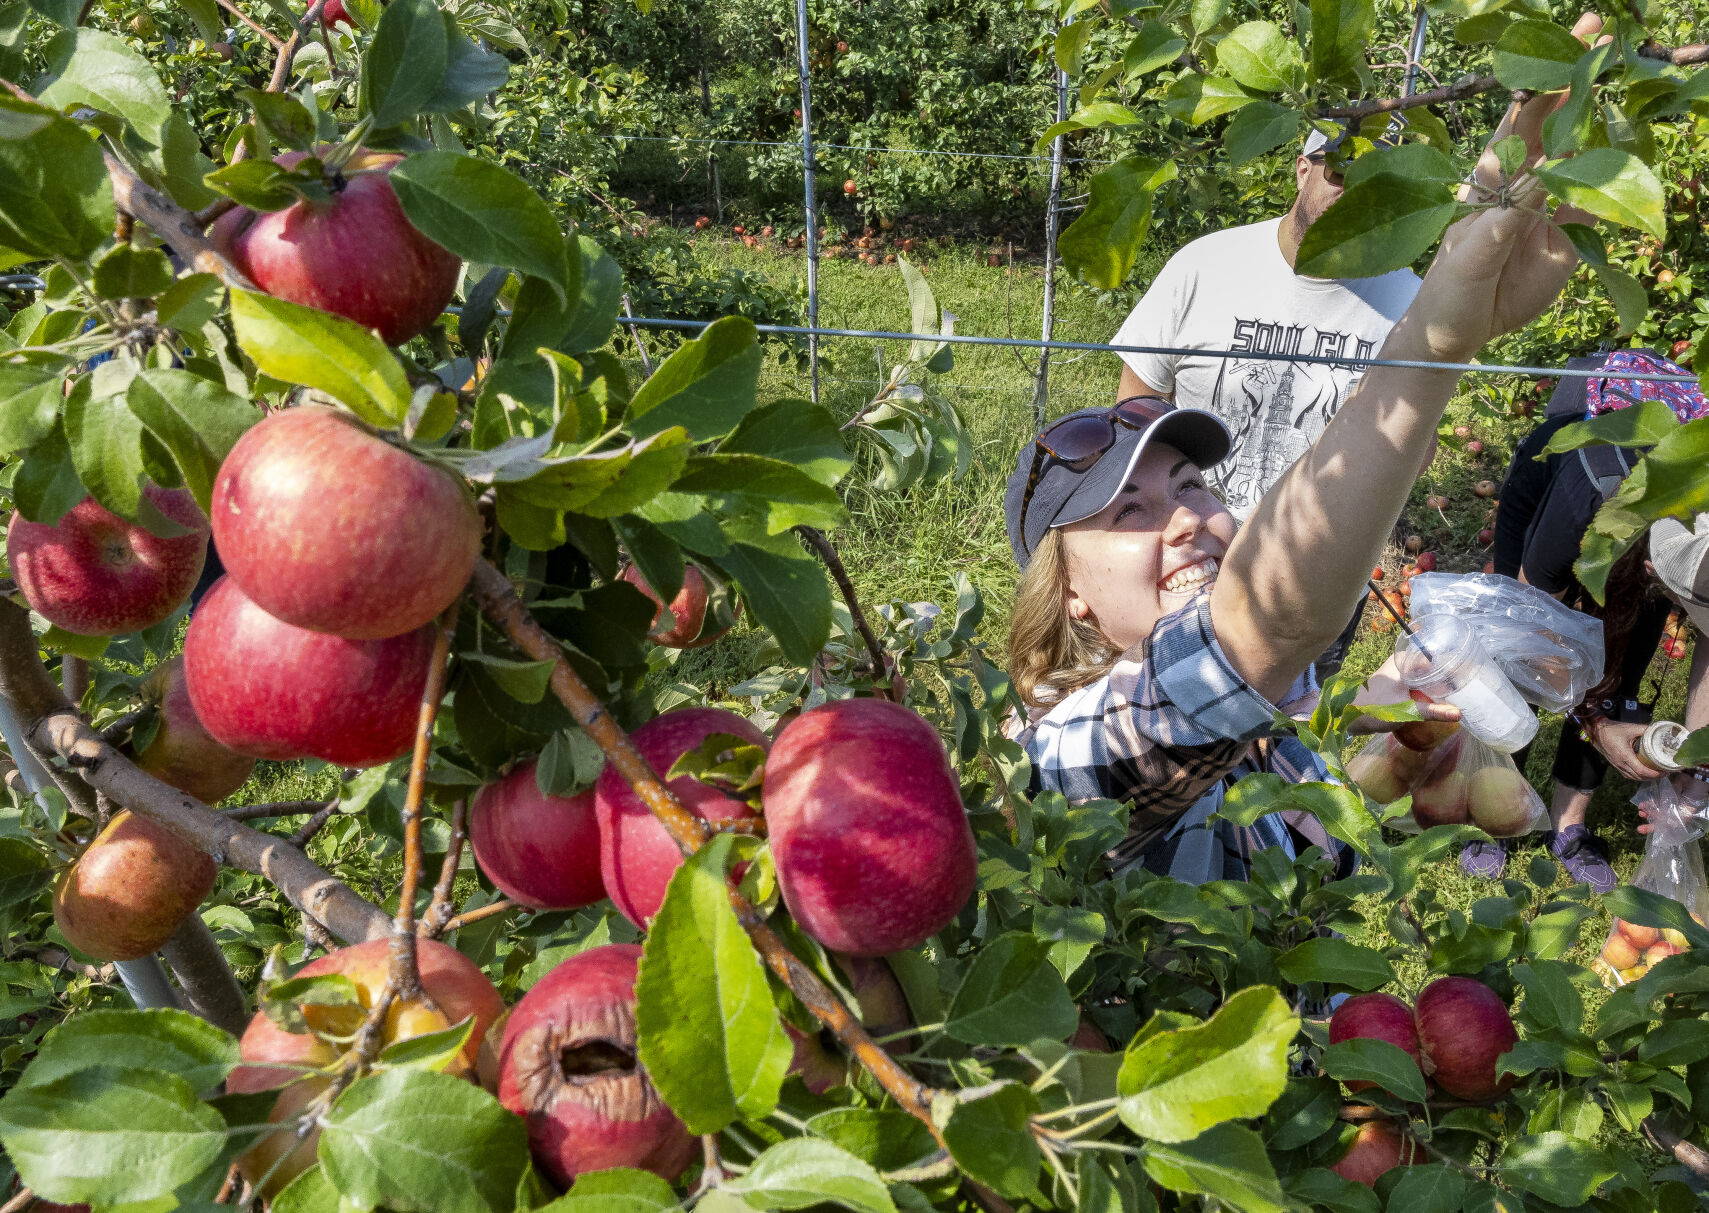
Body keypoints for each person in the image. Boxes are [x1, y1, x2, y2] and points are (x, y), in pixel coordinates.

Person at [1003, 86, 1588, 884]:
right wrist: (1440, 337)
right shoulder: (1058, 758)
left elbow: (1300, 832)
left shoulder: (1262, 731)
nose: (1183, 520)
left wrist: (1376, 722)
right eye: (1128, 510)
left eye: (1189, 486)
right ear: (1068, 589)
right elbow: (1256, 634)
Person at [1109, 126, 1423, 679]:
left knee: (1280, 725)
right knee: (1158, 712)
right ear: (1304, 169)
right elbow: (1135, 412)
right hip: (1190, 558)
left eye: (1378, 185)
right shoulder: (1207, 266)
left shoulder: (1409, 303)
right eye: (1341, 172)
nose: (1354, 196)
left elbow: (1411, 452)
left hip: (1314, 574)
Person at [1465, 361, 1709, 889]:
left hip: (1656, 527)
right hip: (1552, 489)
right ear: (1650, 565)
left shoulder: (1696, 542)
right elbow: (1533, 637)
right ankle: (1495, 816)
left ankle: (1569, 825)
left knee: (1622, 670)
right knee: (1514, 668)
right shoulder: (1587, 488)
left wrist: (1698, 768)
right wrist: (1598, 726)